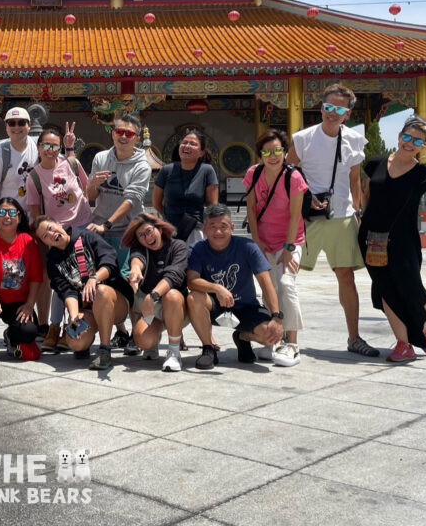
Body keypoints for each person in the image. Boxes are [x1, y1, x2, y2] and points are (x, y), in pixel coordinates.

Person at [359, 115, 426, 362]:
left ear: (424, 145)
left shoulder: (424, 172)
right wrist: (362, 220)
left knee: (413, 292)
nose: (409, 143)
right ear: (399, 136)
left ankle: (422, 334)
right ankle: (403, 344)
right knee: (385, 290)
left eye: (417, 141)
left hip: (404, 241)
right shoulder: (376, 162)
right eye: (406, 137)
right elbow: (367, 193)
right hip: (373, 237)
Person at [289, 83, 378, 358]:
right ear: (321, 108)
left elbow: (354, 179)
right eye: (328, 107)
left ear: (347, 113)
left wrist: (358, 211)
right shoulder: (303, 138)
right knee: (289, 274)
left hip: (342, 215)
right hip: (309, 216)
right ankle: (287, 336)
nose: (332, 113)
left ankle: (354, 337)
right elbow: (289, 172)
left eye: (339, 109)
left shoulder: (354, 140)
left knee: (346, 276)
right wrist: (305, 198)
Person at [86, 113, 151, 354]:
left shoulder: (142, 165)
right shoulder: (101, 158)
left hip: (127, 230)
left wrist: (108, 225)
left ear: (136, 138)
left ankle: (136, 333)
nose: (123, 137)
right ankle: (121, 332)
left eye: (129, 133)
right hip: (101, 228)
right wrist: (92, 183)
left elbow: (132, 200)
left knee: (130, 280)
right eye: (119, 132)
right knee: (104, 280)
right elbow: (91, 196)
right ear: (112, 133)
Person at [186, 205, 284, 364]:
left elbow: (266, 283)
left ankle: (243, 336)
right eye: (213, 227)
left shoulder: (247, 247)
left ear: (231, 228)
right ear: (204, 229)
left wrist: (276, 317)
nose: (218, 232)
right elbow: (192, 281)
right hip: (214, 306)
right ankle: (208, 348)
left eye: (223, 227)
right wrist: (216, 288)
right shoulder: (197, 249)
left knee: (269, 335)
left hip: (245, 306)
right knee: (193, 298)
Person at [242, 129, 307, 367]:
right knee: (269, 289)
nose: (273, 156)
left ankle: (292, 343)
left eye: (278, 150)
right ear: (260, 155)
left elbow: (295, 214)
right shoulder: (253, 174)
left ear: (285, 151)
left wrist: (289, 247)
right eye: (267, 151)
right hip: (264, 241)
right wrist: (256, 241)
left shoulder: (294, 178)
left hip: (291, 239)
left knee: (287, 283)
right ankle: (274, 339)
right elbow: (251, 208)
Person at [33, 216, 133, 371]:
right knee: (75, 342)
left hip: (113, 301)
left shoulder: (86, 236)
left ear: (59, 224)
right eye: (45, 235)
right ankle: (87, 340)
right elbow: (66, 291)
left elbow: (110, 260)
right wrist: (73, 316)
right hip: (87, 307)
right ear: (45, 242)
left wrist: (94, 278)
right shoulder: (53, 261)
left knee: (101, 291)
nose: (51, 234)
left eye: (51, 228)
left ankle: (105, 349)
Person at [24, 123, 92, 350]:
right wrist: (42, 238)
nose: (50, 150)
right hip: (57, 234)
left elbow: (87, 189)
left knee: (80, 278)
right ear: (38, 147)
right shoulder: (34, 177)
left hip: (81, 228)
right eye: (46, 145)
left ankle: (67, 327)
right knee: (60, 280)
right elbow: (35, 214)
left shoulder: (71, 163)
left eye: (55, 146)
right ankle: (54, 327)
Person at [124, 213, 216, 372]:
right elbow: (137, 259)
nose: (147, 238)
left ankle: (174, 352)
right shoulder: (140, 248)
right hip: (151, 309)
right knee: (143, 341)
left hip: (176, 307)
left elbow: (174, 275)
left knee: (171, 295)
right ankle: (152, 343)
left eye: (149, 231)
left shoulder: (178, 246)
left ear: (159, 228)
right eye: (141, 235)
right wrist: (135, 269)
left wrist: (153, 296)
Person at [0, 197, 44, 366]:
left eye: (12, 212)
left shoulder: (29, 242)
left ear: (19, 217)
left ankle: (10, 335)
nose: (7, 217)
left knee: (30, 332)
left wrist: (29, 304)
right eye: (1, 212)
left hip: (18, 300)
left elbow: (35, 277)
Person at [153, 128, 219, 245]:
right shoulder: (166, 170)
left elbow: (212, 205)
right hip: (169, 229)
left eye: (193, 144)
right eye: (184, 143)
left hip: (195, 229)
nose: (187, 146)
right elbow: (156, 202)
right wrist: (168, 216)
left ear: (201, 152)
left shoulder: (207, 170)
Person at [0, 105, 38, 223]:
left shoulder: (38, 147)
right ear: (6, 127)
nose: (16, 127)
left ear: (29, 125)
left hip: (34, 220)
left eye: (21, 122)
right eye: (12, 123)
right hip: (9, 220)